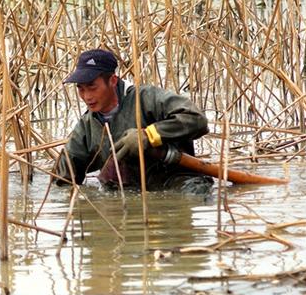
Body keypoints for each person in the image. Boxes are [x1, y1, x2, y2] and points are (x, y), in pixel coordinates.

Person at [55, 48, 212, 194]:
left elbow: (197, 119)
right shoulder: (86, 126)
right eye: (81, 89)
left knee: (194, 194)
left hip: (177, 183)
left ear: (113, 81)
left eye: (92, 87)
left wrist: (149, 135)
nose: (86, 96)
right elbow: (62, 180)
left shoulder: (147, 98)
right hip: (129, 193)